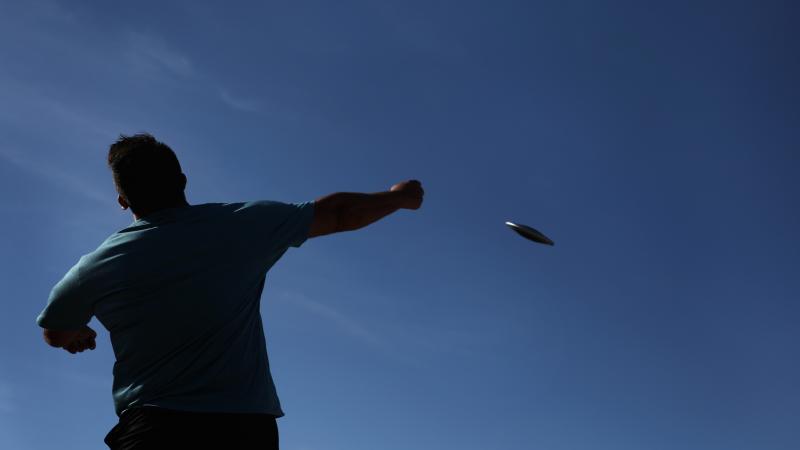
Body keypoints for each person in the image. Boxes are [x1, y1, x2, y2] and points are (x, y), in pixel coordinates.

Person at [35, 133, 425, 449]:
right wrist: (400, 197)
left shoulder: (95, 266)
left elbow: (56, 329)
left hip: (154, 429)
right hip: (243, 430)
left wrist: (79, 332)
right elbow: (341, 213)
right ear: (182, 181)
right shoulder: (245, 225)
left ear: (123, 202)